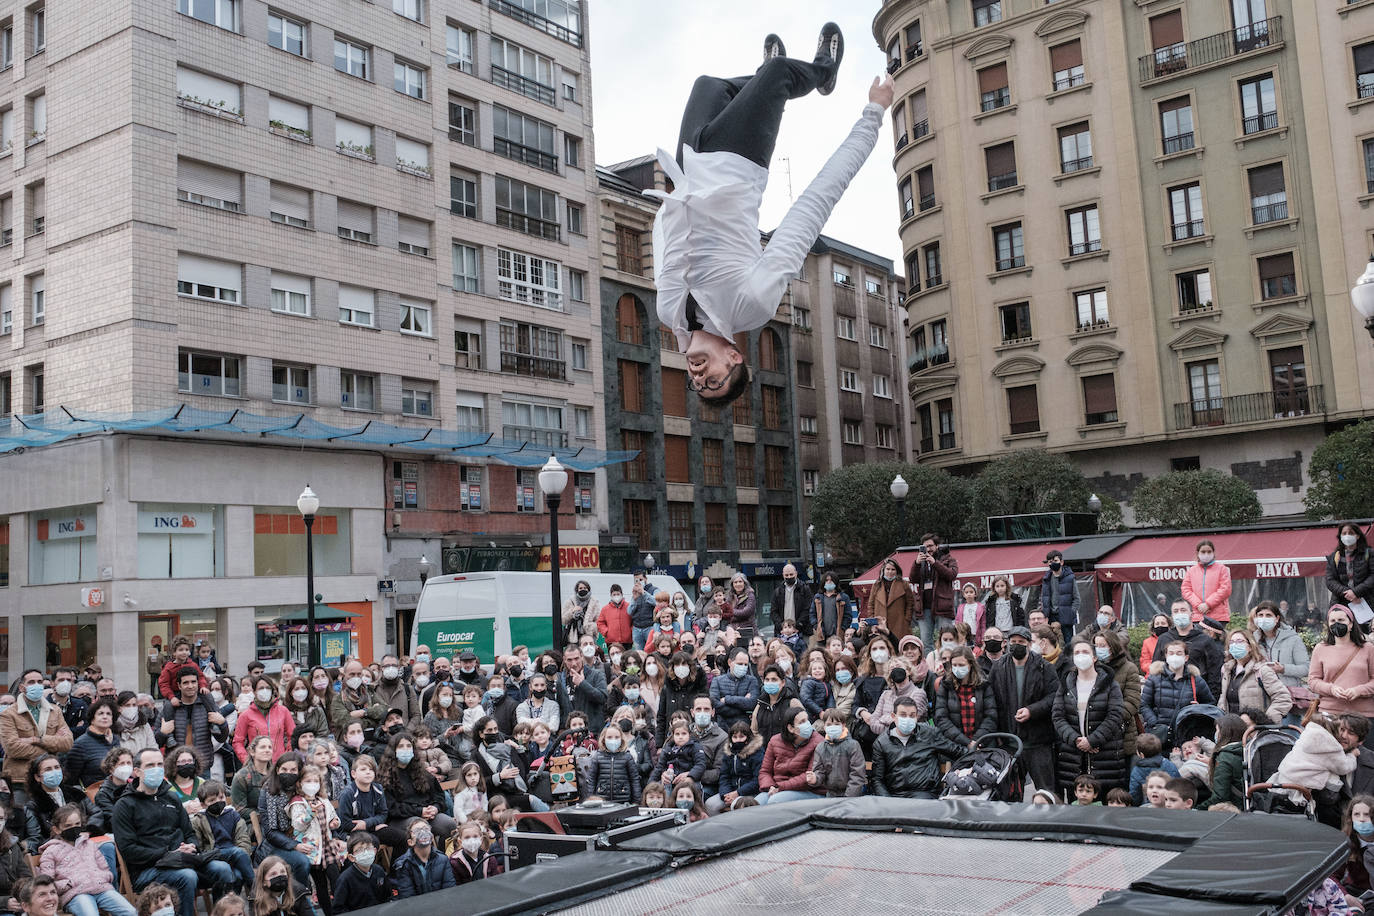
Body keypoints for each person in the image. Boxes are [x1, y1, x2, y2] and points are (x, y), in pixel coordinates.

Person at [652, 23, 885, 396]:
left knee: (710, 85)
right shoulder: (752, 304)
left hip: (689, 163)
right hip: (738, 163)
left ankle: (766, 87)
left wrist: (674, 193)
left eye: (698, 386)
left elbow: (663, 234)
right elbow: (810, 210)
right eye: (714, 380)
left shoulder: (669, 312)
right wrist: (872, 117)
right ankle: (822, 72)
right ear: (734, 357)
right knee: (780, 74)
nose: (698, 378)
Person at [112, 747, 233, 916]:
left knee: (223, 869)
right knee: (187, 877)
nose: (156, 769)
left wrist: (191, 846)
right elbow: (129, 850)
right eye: (150, 765)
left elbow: (189, 832)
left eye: (159, 764)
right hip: (147, 869)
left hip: (184, 860)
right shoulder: (125, 805)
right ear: (137, 772)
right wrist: (168, 853)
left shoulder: (171, 797)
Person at [1053, 639, 1126, 799]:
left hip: (1104, 755)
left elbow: (1115, 716)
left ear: (1094, 658)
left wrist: (1092, 741)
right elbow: (1058, 716)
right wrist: (1077, 740)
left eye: (1085, 652)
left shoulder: (1110, 685)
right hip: (1073, 756)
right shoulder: (1066, 684)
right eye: (1077, 653)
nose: (1081, 656)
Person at [989, 626, 1057, 797]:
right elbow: (991, 699)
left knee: (1046, 792)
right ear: (1007, 644)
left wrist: (1031, 711)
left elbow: (1054, 696)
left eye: (1021, 642)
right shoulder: (998, 667)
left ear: (1028, 643)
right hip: (1009, 742)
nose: (1017, 645)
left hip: (1038, 742)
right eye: (1013, 642)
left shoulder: (1044, 667)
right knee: (1010, 793)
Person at [36, 804, 137, 916]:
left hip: (102, 889)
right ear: (57, 829)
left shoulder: (90, 844)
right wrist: (68, 884)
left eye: (77, 824)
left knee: (131, 912)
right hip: (76, 894)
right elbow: (47, 881)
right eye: (68, 825)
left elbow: (104, 867)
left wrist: (101, 877)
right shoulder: (51, 851)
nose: (74, 828)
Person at [869, 696, 964, 798]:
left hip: (925, 794)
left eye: (912, 715)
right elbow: (877, 779)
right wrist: (887, 802)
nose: (908, 719)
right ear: (893, 716)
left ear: (917, 717)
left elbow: (957, 751)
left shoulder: (929, 734)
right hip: (895, 797)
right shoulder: (882, 742)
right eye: (903, 715)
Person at [379, 734, 455, 855]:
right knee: (419, 826)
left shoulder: (422, 772)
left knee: (449, 824)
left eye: (409, 746)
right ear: (393, 751)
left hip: (427, 814)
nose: (405, 749)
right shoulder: (386, 776)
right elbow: (391, 807)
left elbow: (439, 796)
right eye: (401, 746)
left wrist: (435, 808)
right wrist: (419, 811)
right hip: (400, 819)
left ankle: (441, 858)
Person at [0, 670, 75, 788]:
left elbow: (67, 743)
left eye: (39, 682)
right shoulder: (8, 714)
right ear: (22, 687)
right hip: (20, 780)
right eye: (31, 682)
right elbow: (12, 748)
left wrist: (38, 740)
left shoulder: (55, 711)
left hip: (50, 778)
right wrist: (51, 751)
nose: (36, 685)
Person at [1140, 640, 1213, 749]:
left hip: (1186, 736)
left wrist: (1198, 708)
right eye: (1171, 653)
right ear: (1166, 656)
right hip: (1160, 735)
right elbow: (1144, 704)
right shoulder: (1154, 679)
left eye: (1179, 653)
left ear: (1186, 657)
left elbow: (1210, 704)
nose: (1175, 656)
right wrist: (1154, 723)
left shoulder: (1196, 680)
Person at [22, 756, 96, 855]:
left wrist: (88, 831)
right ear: (37, 777)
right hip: (58, 850)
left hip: (86, 839)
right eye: (48, 769)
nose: (54, 772)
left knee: (107, 846)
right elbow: (37, 837)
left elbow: (96, 813)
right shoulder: (34, 806)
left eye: (57, 767)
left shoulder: (76, 792)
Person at [1311, 605, 1374, 721]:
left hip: (1363, 715)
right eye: (1333, 621)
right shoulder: (1320, 648)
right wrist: (1331, 689)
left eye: (1341, 620)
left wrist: (1359, 691)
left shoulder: (1368, 648)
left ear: (1350, 624)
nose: (1336, 624)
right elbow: (1313, 681)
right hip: (1331, 713)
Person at [189, 781, 253, 895]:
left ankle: (229, 906)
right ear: (203, 804)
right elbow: (198, 848)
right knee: (233, 857)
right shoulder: (198, 821)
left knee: (238, 875)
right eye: (212, 800)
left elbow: (243, 840)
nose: (218, 802)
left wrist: (237, 858)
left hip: (236, 856)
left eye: (221, 797)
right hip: (213, 856)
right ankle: (255, 887)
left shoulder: (234, 815)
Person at [1151, 598, 1224, 697]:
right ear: (1172, 616)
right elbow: (1156, 669)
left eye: (1183, 610)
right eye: (1176, 611)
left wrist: (1210, 701)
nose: (1179, 613)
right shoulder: (1164, 639)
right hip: (1168, 696)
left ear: (1192, 614)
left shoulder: (1205, 640)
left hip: (1197, 697)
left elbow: (1214, 674)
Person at [1218, 628, 1292, 724]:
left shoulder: (1262, 670)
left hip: (1256, 730)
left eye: (1240, 641)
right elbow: (1223, 699)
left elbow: (1283, 698)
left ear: (1250, 646)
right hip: (1233, 730)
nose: (1235, 645)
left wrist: (1268, 721)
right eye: (1232, 642)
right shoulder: (1227, 670)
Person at [933, 648, 997, 749]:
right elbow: (941, 719)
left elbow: (991, 717)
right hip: (954, 747)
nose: (957, 668)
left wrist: (976, 741)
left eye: (961, 665)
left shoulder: (983, 685)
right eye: (954, 665)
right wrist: (966, 742)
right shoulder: (946, 685)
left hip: (982, 745)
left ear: (970, 664)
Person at [757, 708, 823, 805]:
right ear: (790, 728)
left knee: (775, 801)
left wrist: (780, 787)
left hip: (807, 790)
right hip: (776, 787)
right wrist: (770, 786)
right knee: (753, 805)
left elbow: (808, 776)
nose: (807, 724)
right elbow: (765, 771)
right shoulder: (775, 741)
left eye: (807, 720)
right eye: (802, 722)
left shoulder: (819, 742)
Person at [1094, 630, 1142, 760]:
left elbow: (1132, 703)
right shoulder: (1092, 669)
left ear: (1113, 646)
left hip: (1122, 734)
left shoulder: (1129, 668)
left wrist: (1107, 719)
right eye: (1096, 646)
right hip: (1095, 732)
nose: (1099, 649)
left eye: (1103, 646)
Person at [908, 534, 958, 648]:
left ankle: (947, 664)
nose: (928, 549)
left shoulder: (948, 559)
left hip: (942, 606)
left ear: (937, 546)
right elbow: (912, 579)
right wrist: (916, 564)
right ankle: (929, 665)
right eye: (925, 546)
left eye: (930, 546)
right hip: (924, 607)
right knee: (926, 642)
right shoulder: (920, 561)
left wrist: (935, 563)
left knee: (947, 640)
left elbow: (952, 575)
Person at [390, 817, 454, 899]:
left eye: (426, 829)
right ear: (410, 842)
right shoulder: (403, 864)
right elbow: (407, 896)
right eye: (417, 831)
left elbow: (449, 889)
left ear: (432, 837)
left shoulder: (443, 860)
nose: (423, 832)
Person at [232, 677, 292, 764]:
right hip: (257, 766)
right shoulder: (246, 715)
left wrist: (287, 756)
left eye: (267, 688)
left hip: (280, 765)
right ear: (254, 691)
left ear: (272, 690)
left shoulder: (283, 711)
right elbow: (237, 742)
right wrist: (247, 761)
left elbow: (292, 736)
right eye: (261, 688)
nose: (265, 691)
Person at [66, 699, 119, 788]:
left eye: (108, 714)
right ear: (92, 719)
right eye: (100, 713)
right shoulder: (80, 744)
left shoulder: (116, 740)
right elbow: (71, 778)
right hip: (92, 794)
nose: (105, 717)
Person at [1198, 714, 1247, 810]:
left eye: (1217, 730)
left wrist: (1198, 808)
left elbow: (1220, 796)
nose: (1215, 734)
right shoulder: (1248, 749)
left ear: (1224, 733)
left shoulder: (1225, 757)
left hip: (1233, 808)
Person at [556, 645, 608, 734]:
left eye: (576, 659)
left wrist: (582, 684)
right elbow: (560, 707)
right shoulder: (560, 679)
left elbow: (602, 697)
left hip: (593, 732)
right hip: (571, 734)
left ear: (582, 656)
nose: (574, 663)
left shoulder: (596, 675)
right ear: (564, 659)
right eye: (569, 660)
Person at [327, 662, 385, 742]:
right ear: (344, 674)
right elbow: (345, 722)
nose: (356, 677)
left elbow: (384, 709)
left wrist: (364, 712)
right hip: (347, 744)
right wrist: (373, 719)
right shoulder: (338, 698)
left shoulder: (369, 692)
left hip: (371, 742)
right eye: (352, 674)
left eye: (359, 674)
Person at [587, 723, 641, 805]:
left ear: (621, 739)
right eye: (609, 737)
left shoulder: (627, 757)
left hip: (623, 801)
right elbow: (591, 780)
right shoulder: (597, 757)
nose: (613, 740)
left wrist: (636, 801)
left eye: (617, 737)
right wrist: (590, 799)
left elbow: (634, 780)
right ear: (603, 739)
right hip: (602, 801)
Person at [1181, 539, 1233, 624]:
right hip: (1198, 616)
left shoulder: (1221, 569)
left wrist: (1208, 604)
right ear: (1198, 553)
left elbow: (1225, 589)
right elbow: (1185, 590)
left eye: (1209, 551)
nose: (1206, 554)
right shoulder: (1191, 571)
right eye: (1203, 552)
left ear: (1213, 552)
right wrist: (1198, 605)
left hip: (1218, 616)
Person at [710, 647, 759, 732]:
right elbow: (716, 706)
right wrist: (742, 707)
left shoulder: (752, 680)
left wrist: (727, 699)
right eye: (740, 664)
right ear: (730, 662)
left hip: (744, 730)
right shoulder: (717, 681)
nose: (743, 667)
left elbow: (752, 704)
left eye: (745, 664)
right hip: (722, 729)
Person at [750, 665, 801, 748]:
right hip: (765, 753)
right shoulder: (760, 705)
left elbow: (802, 729)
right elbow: (754, 732)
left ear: (783, 682)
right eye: (767, 679)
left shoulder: (792, 703)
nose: (770, 682)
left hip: (787, 752)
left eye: (774, 679)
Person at [1329, 523, 1374, 614]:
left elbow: (1372, 576)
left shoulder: (1369, 553)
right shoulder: (1335, 556)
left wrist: (1355, 592)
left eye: (1350, 533)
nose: (1347, 536)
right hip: (1341, 602)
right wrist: (1347, 593)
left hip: (1366, 600)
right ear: (1340, 536)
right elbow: (1330, 580)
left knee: (1367, 627)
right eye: (1344, 533)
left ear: (1357, 536)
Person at [866, 558, 914, 641]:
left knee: (898, 646)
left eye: (893, 569)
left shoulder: (904, 584)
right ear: (883, 570)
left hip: (900, 623)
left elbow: (910, 602)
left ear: (897, 571)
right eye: (888, 569)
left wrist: (907, 619)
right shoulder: (877, 585)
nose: (890, 572)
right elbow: (871, 604)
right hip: (880, 623)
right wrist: (873, 621)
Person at [248, 857, 313, 916]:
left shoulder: (298, 892)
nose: (279, 877)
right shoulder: (256, 900)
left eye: (282, 872)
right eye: (273, 874)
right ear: (263, 882)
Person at [1128, 733, 1180, 806]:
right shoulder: (1169, 765)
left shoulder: (1137, 770)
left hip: (1148, 806)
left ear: (1141, 754)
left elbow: (1135, 794)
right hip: (1169, 806)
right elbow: (1178, 786)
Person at [1039, 550, 1080, 637]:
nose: (1053, 563)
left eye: (1055, 561)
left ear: (1061, 562)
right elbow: (1043, 598)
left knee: (1068, 643)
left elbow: (1077, 598)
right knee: (1052, 643)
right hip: (1051, 616)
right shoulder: (1046, 578)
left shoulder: (1070, 578)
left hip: (1066, 616)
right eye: (1050, 562)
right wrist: (1044, 614)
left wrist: (1071, 612)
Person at [448, 820, 498, 885]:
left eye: (475, 836)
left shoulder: (490, 859)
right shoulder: (454, 862)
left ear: (481, 839)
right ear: (460, 841)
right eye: (467, 837)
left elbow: (495, 882)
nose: (472, 840)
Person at [812, 573, 854, 643]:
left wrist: (843, 628)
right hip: (822, 636)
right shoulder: (818, 597)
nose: (829, 582)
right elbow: (812, 614)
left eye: (831, 580)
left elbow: (848, 616)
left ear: (836, 582)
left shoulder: (843, 597)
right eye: (827, 580)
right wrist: (816, 626)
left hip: (838, 636)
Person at [726, 574, 758, 639]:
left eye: (740, 581)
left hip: (748, 630)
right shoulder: (729, 597)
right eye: (735, 582)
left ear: (744, 583)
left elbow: (746, 612)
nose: (738, 584)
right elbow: (726, 615)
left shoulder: (750, 595)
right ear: (732, 584)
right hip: (733, 631)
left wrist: (732, 611)